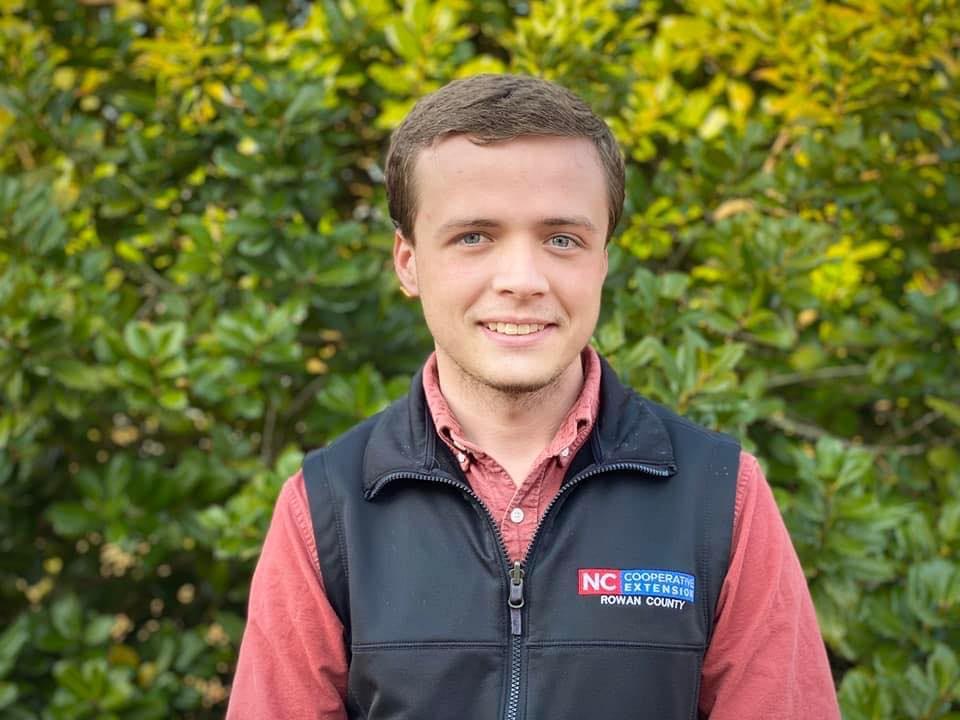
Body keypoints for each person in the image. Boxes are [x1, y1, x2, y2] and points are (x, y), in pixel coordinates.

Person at [225, 74, 840, 719]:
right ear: (408, 262)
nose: (522, 280)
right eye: (474, 237)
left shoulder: (721, 496)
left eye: (562, 239)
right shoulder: (327, 507)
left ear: (603, 260)